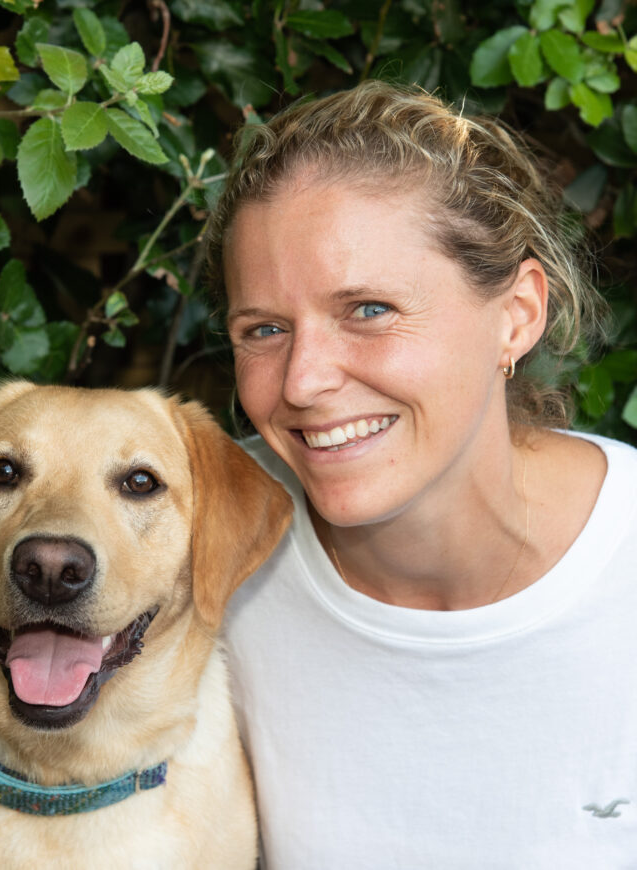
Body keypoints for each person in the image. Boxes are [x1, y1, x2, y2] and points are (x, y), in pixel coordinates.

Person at [206, 82, 637, 868]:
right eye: (263, 329)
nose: (302, 381)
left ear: (517, 314)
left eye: (368, 309)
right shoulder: (199, 542)